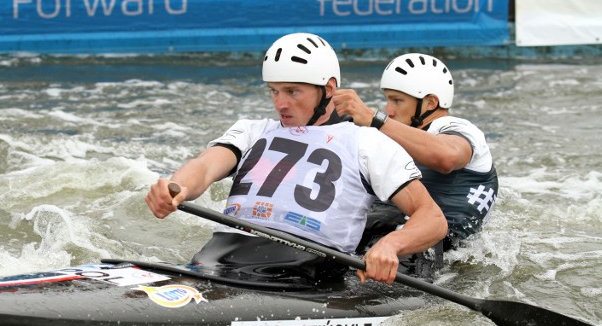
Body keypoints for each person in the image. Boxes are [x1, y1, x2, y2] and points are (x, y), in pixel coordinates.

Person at [145, 34, 447, 286]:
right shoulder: (253, 130)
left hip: (301, 276)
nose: (280, 103)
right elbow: (205, 166)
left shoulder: (368, 142)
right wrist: (177, 186)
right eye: (274, 91)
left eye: (292, 91)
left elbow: (432, 218)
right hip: (215, 261)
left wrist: (391, 245)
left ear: (328, 89)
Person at [333, 53, 499, 276]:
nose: (388, 109)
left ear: (430, 102)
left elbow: (447, 157)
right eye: (388, 99)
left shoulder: (458, 128)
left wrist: (374, 119)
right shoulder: (395, 135)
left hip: (431, 250)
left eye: (397, 101)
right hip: (383, 230)